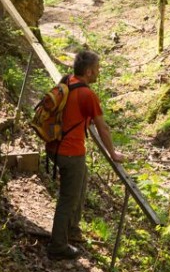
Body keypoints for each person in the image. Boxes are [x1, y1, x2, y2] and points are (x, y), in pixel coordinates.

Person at [48, 49, 124, 260]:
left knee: (81, 183)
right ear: (89, 72)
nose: (99, 72)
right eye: (98, 69)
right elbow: (103, 128)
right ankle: (58, 245)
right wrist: (113, 153)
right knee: (67, 199)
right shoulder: (87, 94)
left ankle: (72, 229)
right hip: (70, 152)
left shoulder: (67, 82)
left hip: (55, 147)